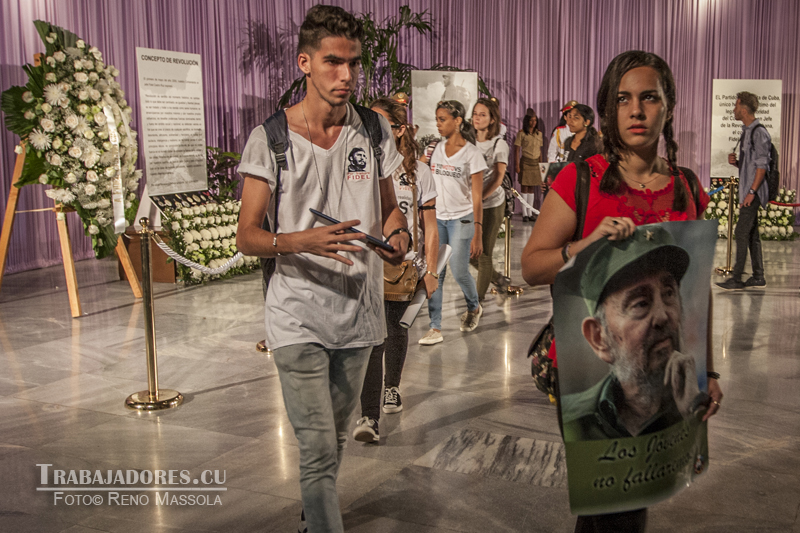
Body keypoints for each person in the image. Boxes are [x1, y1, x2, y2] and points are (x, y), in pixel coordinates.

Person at [520, 50, 723, 533]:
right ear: (608, 109)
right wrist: (584, 246)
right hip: (588, 375)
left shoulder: (686, 186)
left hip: (665, 378)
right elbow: (531, 266)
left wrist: (708, 370)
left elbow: (697, 290)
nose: (636, 111)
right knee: (614, 505)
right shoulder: (581, 179)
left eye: (649, 98)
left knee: (628, 501)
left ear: (668, 107)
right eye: (623, 99)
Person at [235, 6, 409, 532]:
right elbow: (247, 236)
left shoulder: (374, 130)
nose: (346, 75)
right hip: (297, 314)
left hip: (358, 313)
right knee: (315, 450)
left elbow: (390, 208)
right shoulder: (271, 138)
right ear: (305, 63)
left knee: (332, 439)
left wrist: (398, 236)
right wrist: (299, 241)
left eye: (353, 63)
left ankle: (313, 517)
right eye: (333, 62)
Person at [560, 226, 705, 442]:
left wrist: (692, 414)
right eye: (640, 303)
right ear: (599, 338)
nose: (662, 316)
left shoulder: (698, 400)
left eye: (668, 293)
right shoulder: (575, 420)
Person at [353, 97, 439, 444]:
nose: (372, 130)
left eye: (382, 123)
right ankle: (368, 415)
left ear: (400, 129)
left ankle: (391, 387)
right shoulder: (360, 165)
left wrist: (431, 271)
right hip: (366, 263)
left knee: (394, 329)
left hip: (403, 267)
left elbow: (430, 227)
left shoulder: (419, 172)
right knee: (373, 338)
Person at [418, 100, 487, 345]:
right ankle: (435, 327)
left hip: (462, 218)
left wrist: (478, 231)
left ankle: (474, 307)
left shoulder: (472, 153)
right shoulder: (433, 148)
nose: (438, 124)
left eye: (442, 119)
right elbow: (418, 175)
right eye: (437, 119)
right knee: (435, 271)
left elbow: (477, 197)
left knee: (458, 270)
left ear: (457, 121)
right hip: (437, 218)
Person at [716, 91, 770, 290]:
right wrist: (737, 163)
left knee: (741, 232)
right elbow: (752, 166)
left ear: (744, 109)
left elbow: (762, 167)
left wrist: (752, 192)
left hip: (753, 192)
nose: (734, 110)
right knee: (752, 234)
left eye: (736, 106)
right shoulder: (747, 131)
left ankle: (737, 278)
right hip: (749, 190)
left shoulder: (759, 132)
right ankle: (758, 276)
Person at [470, 98, 512, 300]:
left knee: (484, 254)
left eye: (482, 114)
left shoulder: (498, 144)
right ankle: (499, 279)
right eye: (475, 114)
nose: (477, 118)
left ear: (492, 119)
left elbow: (497, 178)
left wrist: (479, 199)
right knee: (470, 254)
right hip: (471, 204)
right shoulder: (468, 141)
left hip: (492, 203)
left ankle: (476, 303)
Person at [514, 109, 544, 220]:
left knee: (532, 188)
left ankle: (530, 213)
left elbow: (540, 150)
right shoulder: (522, 133)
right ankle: (524, 214)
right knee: (524, 188)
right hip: (525, 162)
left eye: (535, 120)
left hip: (535, 163)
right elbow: (517, 150)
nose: (533, 122)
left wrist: (541, 165)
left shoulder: (539, 133)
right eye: (531, 120)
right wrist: (517, 165)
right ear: (527, 121)